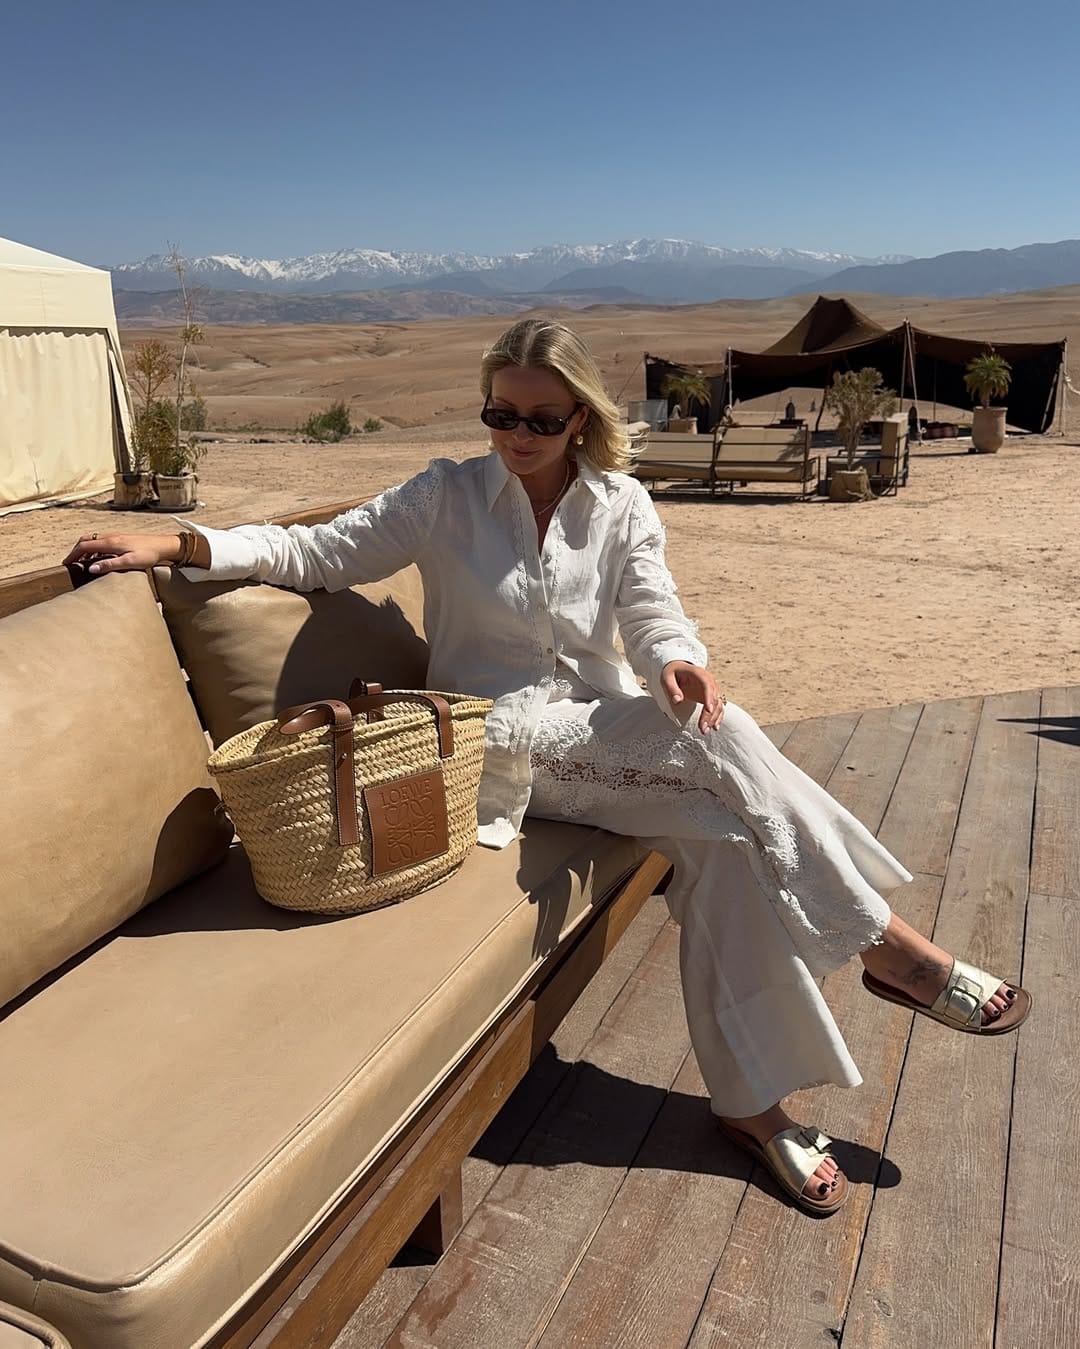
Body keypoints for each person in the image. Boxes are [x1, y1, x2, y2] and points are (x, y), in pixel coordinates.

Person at [64, 319, 1030, 1217]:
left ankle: (751, 1104)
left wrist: (672, 661)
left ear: (580, 418)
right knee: (728, 752)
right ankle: (893, 950)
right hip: (500, 744)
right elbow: (318, 549)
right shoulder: (444, 496)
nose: (516, 435)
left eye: (539, 417)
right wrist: (174, 542)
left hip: (603, 729)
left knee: (729, 837)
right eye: (499, 413)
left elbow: (653, 608)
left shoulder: (621, 503)